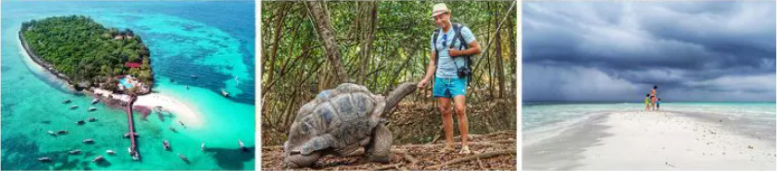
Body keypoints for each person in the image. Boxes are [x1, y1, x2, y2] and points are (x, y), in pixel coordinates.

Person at [417, 3, 481, 154]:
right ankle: (450, 144)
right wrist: (426, 79)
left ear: (448, 14)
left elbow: (477, 48)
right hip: (441, 77)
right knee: (444, 110)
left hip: (457, 76)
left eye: (441, 16)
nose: (439, 20)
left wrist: (458, 53)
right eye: (436, 18)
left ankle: (465, 145)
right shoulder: (435, 36)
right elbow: (433, 61)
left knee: (460, 109)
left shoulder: (461, 30)